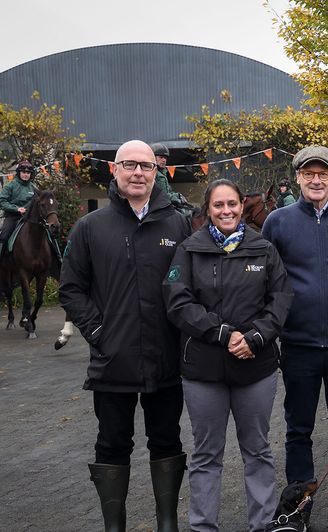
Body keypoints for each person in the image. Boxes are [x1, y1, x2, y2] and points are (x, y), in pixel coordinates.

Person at [59, 140, 191, 532]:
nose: (138, 173)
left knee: (167, 440)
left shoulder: (176, 223)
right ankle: (114, 526)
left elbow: (190, 282)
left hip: (166, 359)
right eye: (129, 165)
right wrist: (97, 331)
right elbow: (71, 288)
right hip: (112, 361)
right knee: (112, 444)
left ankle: (167, 523)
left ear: (156, 173)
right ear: (114, 170)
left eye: (146, 166)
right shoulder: (90, 227)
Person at [163, 179, 293, 532]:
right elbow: (177, 301)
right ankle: (203, 526)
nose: (226, 211)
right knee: (206, 455)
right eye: (218, 205)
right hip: (203, 370)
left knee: (258, 450)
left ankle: (263, 524)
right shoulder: (190, 249)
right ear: (208, 210)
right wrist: (220, 333)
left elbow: (280, 298)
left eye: (232, 204)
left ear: (241, 206)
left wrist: (256, 336)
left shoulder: (263, 248)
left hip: (256, 368)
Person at [261, 145, 328, 531]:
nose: (316, 179)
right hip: (298, 346)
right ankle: (299, 507)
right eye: (309, 173)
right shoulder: (277, 222)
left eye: (323, 173)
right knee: (298, 430)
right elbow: (265, 281)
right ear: (298, 177)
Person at [0, 159, 38, 257]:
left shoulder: (33, 188)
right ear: (19, 173)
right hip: (13, 217)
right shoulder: (10, 186)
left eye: (28, 173)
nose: (26, 174)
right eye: (24, 172)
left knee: (47, 233)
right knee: (4, 236)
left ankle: (58, 260)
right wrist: (17, 209)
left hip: (29, 218)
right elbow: (2, 202)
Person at [151, 142, 193, 213]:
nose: (164, 160)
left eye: (165, 158)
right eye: (161, 157)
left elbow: (168, 192)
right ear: (152, 157)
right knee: (184, 215)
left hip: (164, 204)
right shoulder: (156, 175)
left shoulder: (162, 174)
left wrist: (178, 195)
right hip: (158, 207)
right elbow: (162, 196)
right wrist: (178, 200)